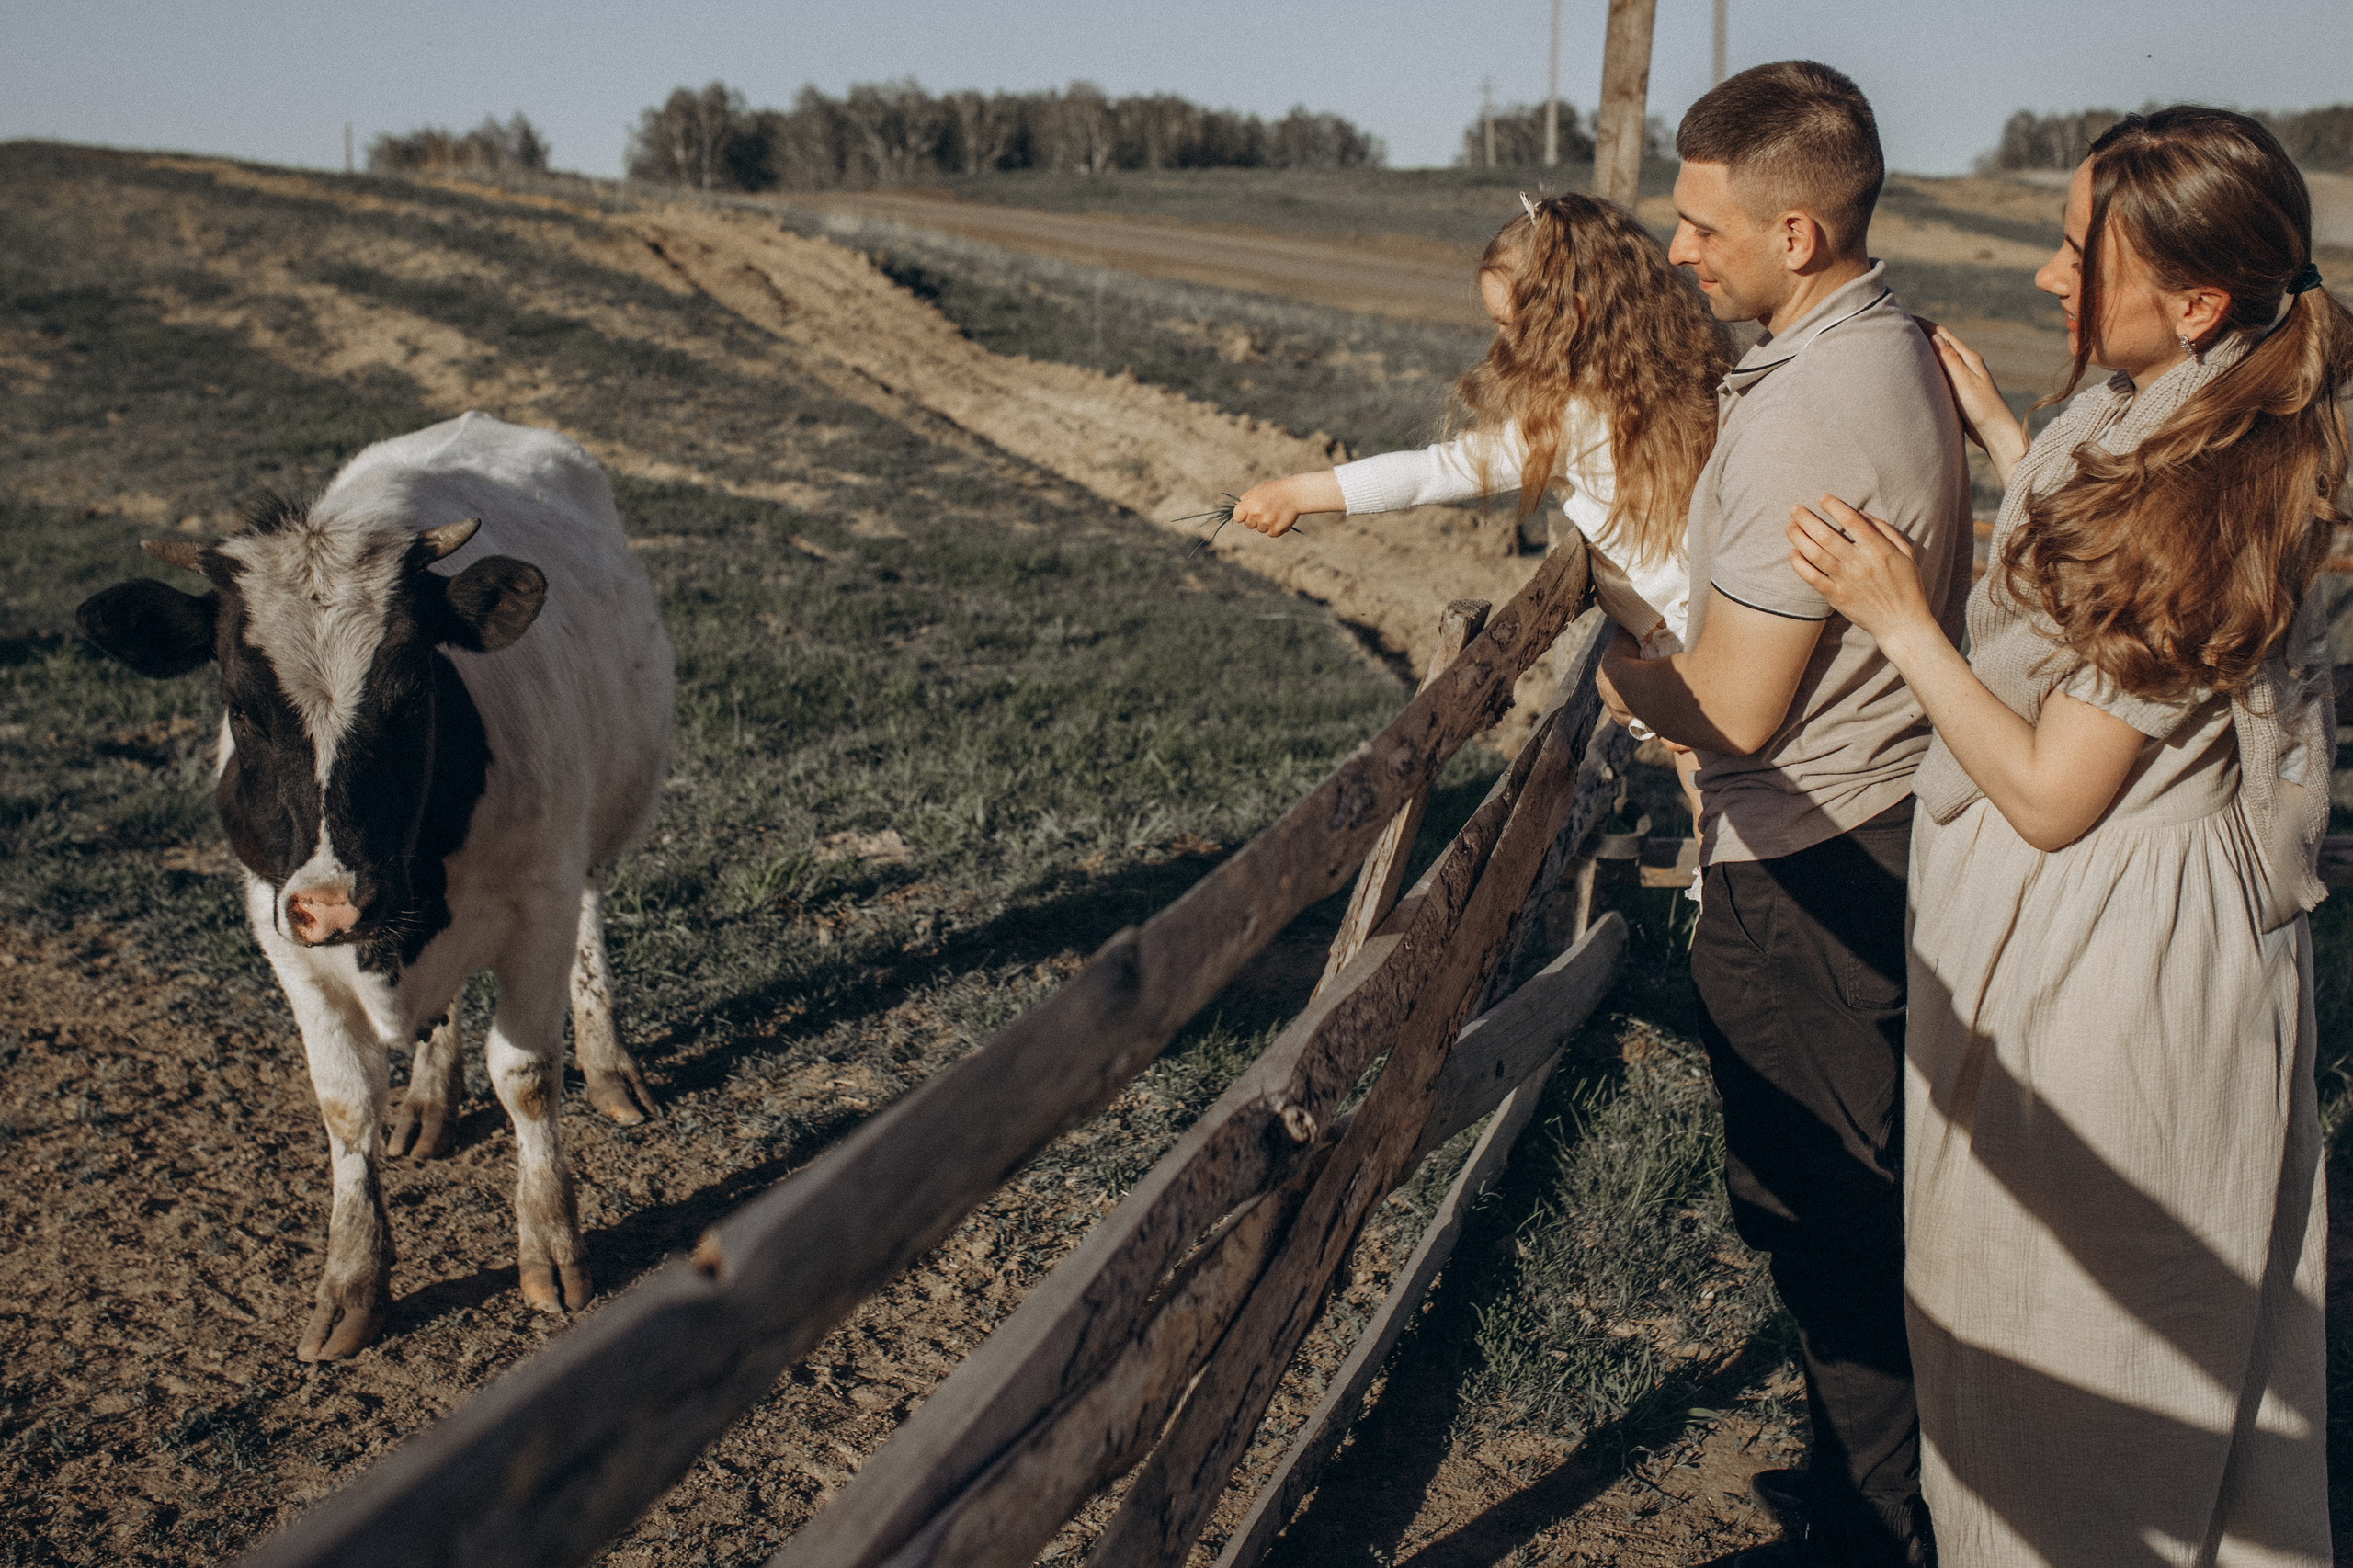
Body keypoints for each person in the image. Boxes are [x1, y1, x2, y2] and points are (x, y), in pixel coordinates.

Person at [1786, 106, 2346, 1565]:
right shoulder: (2173, 409)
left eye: (2077, 252)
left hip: (2113, 971)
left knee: (2086, 1364)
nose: (2048, 276)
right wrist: (2011, 442)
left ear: (2198, 300)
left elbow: (2048, 788)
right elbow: (2118, 612)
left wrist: (1902, 623)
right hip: (2078, 928)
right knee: (2034, 1318)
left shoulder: (2202, 504)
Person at [1594, 61, 1968, 1566]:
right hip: (1867, 824)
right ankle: (1861, 1484)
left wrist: (1634, 681)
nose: (1678, 251)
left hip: (1811, 851)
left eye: (1701, 227)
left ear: (1798, 233)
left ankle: (1875, 1534)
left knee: (1822, 1202)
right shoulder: (1884, 348)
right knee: (1839, 1188)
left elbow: (1741, 706)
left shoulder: (1817, 407)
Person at [1230, 190, 1731, 828]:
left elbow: (1431, 473)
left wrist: (1301, 491)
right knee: (1729, 802)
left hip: (1685, 645)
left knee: (1718, 808)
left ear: (1570, 318)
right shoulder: (1671, 379)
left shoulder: (1570, 422)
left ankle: (1721, 898)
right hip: (1721, 619)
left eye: (1506, 325)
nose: (1498, 342)